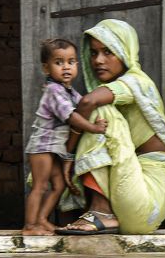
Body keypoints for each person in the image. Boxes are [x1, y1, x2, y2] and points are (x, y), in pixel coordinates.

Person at [56, 19, 165, 235]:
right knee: (70, 128)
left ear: (124, 51)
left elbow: (88, 103)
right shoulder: (113, 89)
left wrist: (68, 156)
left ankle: (101, 212)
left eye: (108, 52)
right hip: (127, 194)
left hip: (147, 199)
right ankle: (63, 215)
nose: (98, 60)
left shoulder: (137, 82)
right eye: (93, 53)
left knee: (97, 114)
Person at [22, 39, 108, 236]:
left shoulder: (68, 91)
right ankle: (30, 225)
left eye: (71, 62)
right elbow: (73, 117)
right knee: (41, 186)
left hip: (54, 148)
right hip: (42, 147)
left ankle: (42, 219)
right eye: (59, 62)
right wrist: (94, 128)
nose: (66, 67)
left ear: (77, 64)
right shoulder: (53, 91)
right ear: (46, 68)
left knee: (59, 185)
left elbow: (84, 105)